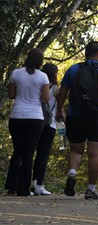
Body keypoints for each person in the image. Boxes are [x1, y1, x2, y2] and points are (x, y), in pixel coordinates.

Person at [56, 41, 98, 199]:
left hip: (75, 115)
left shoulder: (73, 69)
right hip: (97, 116)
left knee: (76, 150)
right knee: (94, 154)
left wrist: (59, 110)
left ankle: (72, 173)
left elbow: (62, 93)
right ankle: (90, 189)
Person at [5, 48, 50, 196]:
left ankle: (11, 186)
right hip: (35, 117)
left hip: (17, 115)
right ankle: (23, 189)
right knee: (29, 153)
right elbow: (45, 99)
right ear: (40, 61)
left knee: (17, 151)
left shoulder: (16, 73)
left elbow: (11, 95)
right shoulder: (43, 77)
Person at [31, 63, 60, 195]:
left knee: (30, 152)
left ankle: (30, 183)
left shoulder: (37, 86)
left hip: (35, 120)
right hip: (50, 123)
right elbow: (60, 108)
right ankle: (39, 185)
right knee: (43, 155)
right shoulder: (56, 89)